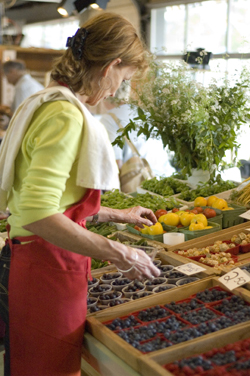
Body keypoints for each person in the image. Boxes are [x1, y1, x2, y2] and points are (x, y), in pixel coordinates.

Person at [0, 12, 160, 376]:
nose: (119, 90)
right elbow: (39, 212)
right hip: (46, 273)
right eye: (124, 79)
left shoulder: (48, 100)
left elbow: (45, 200)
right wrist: (120, 252)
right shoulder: (66, 116)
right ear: (111, 66)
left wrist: (117, 215)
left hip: (38, 263)